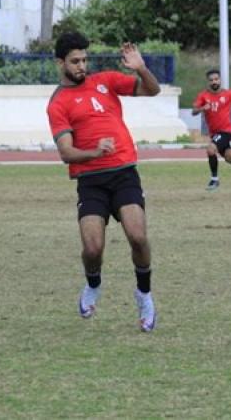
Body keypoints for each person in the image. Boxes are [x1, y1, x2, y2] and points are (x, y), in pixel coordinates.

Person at [47, 31, 159, 332]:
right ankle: (93, 283)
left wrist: (141, 68)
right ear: (60, 63)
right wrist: (95, 152)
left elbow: (153, 90)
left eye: (84, 60)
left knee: (138, 236)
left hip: (124, 173)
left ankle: (144, 294)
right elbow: (66, 152)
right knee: (93, 249)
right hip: (90, 180)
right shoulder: (57, 103)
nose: (82, 66)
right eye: (75, 61)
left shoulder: (106, 81)